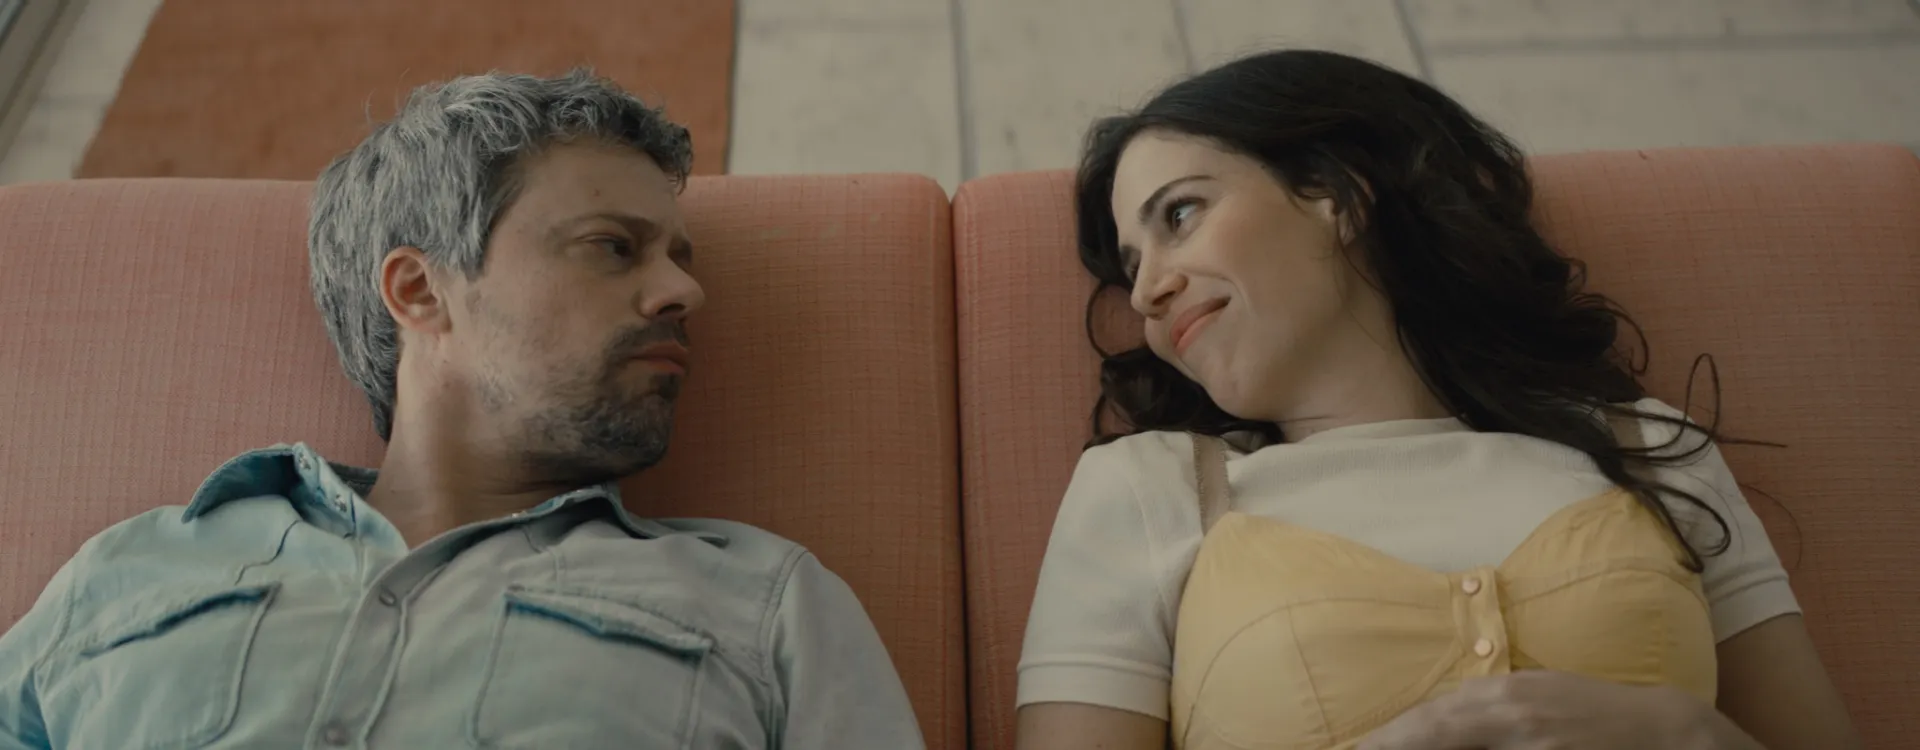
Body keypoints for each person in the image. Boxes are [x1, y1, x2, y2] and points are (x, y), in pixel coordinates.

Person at [0, 70, 924, 749]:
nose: (685, 292)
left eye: (680, 259)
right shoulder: (127, 572)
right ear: (419, 290)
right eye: (613, 246)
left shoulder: (762, 601)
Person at [1014, 50, 1860, 750]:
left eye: (1181, 215)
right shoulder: (1149, 493)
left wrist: (1693, 735)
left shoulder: (1650, 448)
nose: (1149, 291)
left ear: (1339, 194)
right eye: (1132, 267)